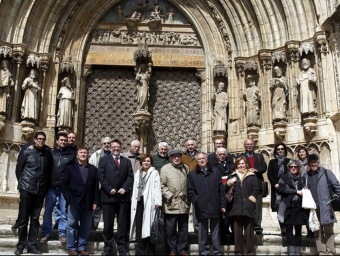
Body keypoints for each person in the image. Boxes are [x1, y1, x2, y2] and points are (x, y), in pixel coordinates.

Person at [14, 131, 53, 255]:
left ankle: (32, 245)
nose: (41, 141)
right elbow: (18, 170)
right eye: (39, 139)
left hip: (40, 190)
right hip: (27, 188)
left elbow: (49, 172)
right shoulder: (26, 152)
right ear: (34, 140)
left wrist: (44, 187)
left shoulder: (47, 155)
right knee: (23, 218)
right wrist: (22, 186)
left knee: (35, 219)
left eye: (43, 139)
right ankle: (21, 245)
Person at [61, 146, 99, 256]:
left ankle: (82, 247)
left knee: (86, 226)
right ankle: (71, 248)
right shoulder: (70, 168)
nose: (83, 154)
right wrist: (68, 198)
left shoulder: (93, 169)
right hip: (74, 201)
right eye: (81, 152)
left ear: (88, 155)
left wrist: (95, 201)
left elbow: (96, 187)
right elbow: (64, 185)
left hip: (88, 202)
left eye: (85, 153)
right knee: (71, 225)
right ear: (77, 155)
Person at [98, 139, 134, 256]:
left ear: (121, 148)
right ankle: (108, 247)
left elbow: (130, 176)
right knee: (108, 224)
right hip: (108, 197)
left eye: (118, 147)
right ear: (110, 148)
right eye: (113, 147)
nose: (116, 149)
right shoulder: (103, 160)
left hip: (123, 198)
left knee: (122, 224)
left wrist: (125, 188)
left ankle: (122, 247)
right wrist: (109, 188)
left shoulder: (126, 161)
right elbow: (101, 176)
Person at [187, 152, 226, 256]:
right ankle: (204, 251)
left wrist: (222, 205)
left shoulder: (215, 172)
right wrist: (197, 201)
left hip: (214, 204)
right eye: (199, 159)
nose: (202, 160)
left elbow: (221, 189)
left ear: (207, 160)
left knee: (215, 231)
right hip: (201, 206)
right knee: (202, 232)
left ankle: (217, 251)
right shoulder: (192, 174)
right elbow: (190, 191)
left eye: (203, 158)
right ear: (196, 161)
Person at [40, 133, 76, 244]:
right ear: (57, 141)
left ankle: (62, 233)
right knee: (48, 211)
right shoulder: (50, 153)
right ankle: (46, 233)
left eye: (65, 140)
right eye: (61, 140)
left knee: (64, 211)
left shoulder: (70, 155)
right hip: (51, 187)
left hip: (63, 188)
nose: (64, 142)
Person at [305, 154, 340, 255]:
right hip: (313, 208)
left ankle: (330, 251)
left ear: (318, 162)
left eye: (315, 161)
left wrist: (336, 198)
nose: (314, 164)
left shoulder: (326, 173)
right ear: (308, 164)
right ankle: (321, 252)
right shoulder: (306, 176)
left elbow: (337, 186)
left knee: (328, 231)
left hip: (326, 206)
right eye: (311, 162)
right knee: (317, 232)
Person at [130, 153, 162, 255]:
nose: (146, 162)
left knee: (149, 228)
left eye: (148, 161)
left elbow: (157, 187)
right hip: (138, 202)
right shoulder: (137, 173)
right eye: (144, 161)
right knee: (139, 227)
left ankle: (150, 251)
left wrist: (158, 202)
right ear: (141, 162)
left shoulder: (154, 173)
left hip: (149, 202)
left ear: (151, 162)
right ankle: (141, 250)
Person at [226, 156, 259, 255]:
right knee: (237, 232)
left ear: (246, 164)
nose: (241, 165)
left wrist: (251, 199)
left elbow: (256, 189)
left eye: (242, 163)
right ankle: (238, 252)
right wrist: (230, 182)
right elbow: (224, 189)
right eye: (239, 164)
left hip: (248, 207)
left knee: (249, 232)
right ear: (236, 165)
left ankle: (250, 251)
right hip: (236, 207)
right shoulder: (232, 176)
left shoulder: (252, 176)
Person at [160, 150, 189, 256]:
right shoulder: (165, 169)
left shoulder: (186, 168)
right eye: (174, 157)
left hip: (183, 204)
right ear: (171, 158)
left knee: (183, 229)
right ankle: (172, 249)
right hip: (171, 204)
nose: (177, 159)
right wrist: (170, 196)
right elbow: (161, 185)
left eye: (178, 157)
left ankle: (183, 250)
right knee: (170, 229)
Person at [277, 159, 307, 256]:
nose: (293, 168)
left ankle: (297, 250)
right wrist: (296, 191)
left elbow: (305, 189)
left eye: (295, 166)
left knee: (298, 230)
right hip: (288, 207)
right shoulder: (283, 177)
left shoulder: (302, 178)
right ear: (288, 168)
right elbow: (282, 189)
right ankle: (291, 250)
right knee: (289, 230)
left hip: (299, 207)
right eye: (291, 167)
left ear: (298, 168)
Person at [238, 138, 267, 234]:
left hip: (257, 184)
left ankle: (257, 227)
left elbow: (264, 167)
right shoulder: (241, 156)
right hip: (245, 185)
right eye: (247, 144)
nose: (249, 146)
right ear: (244, 146)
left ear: (253, 145)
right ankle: (247, 227)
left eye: (251, 144)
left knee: (257, 206)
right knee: (246, 205)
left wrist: (256, 170)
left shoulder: (259, 156)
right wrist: (246, 170)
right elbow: (237, 168)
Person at [89, 136, 112, 231]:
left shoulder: (114, 155)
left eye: (108, 143)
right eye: (105, 143)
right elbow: (91, 168)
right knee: (96, 206)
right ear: (101, 144)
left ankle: (107, 227)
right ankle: (93, 225)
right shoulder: (96, 154)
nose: (106, 145)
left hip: (110, 185)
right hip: (98, 184)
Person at [267, 143, 291, 235]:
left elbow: (292, 173)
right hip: (276, 189)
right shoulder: (272, 162)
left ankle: (288, 228)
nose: (280, 151)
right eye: (278, 149)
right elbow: (270, 175)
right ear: (275, 151)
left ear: (285, 150)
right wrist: (275, 184)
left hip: (287, 189)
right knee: (279, 209)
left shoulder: (289, 161)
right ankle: (282, 229)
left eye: (282, 149)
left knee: (288, 208)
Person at [211, 147, 234, 238]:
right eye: (220, 154)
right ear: (217, 156)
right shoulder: (213, 167)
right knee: (221, 216)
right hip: (219, 193)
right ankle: (222, 236)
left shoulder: (231, 165)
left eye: (224, 154)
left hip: (231, 194)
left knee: (230, 214)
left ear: (226, 155)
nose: (222, 156)